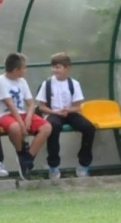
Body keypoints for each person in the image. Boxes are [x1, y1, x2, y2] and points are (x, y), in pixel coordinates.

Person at [35, 52, 97, 180]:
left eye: (58, 67)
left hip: (69, 113)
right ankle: (53, 166)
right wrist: (55, 112)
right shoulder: (46, 84)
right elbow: (42, 107)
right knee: (53, 127)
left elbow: (77, 106)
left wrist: (67, 110)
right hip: (53, 113)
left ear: (67, 68)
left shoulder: (74, 84)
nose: (55, 70)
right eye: (53, 67)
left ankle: (84, 164)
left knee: (89, 128)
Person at [0, 52, 52, 178]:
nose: (26, 70)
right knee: (15, 128)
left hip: (22, 113)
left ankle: (28, 158)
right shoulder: (0, 81)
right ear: (16, 70)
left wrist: (29, 119)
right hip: (4, 115)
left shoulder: (22, 81)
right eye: (24, 68)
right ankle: (21, 152)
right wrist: (22, 124)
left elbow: (30, 103)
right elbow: (10, 105)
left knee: (47, 127)